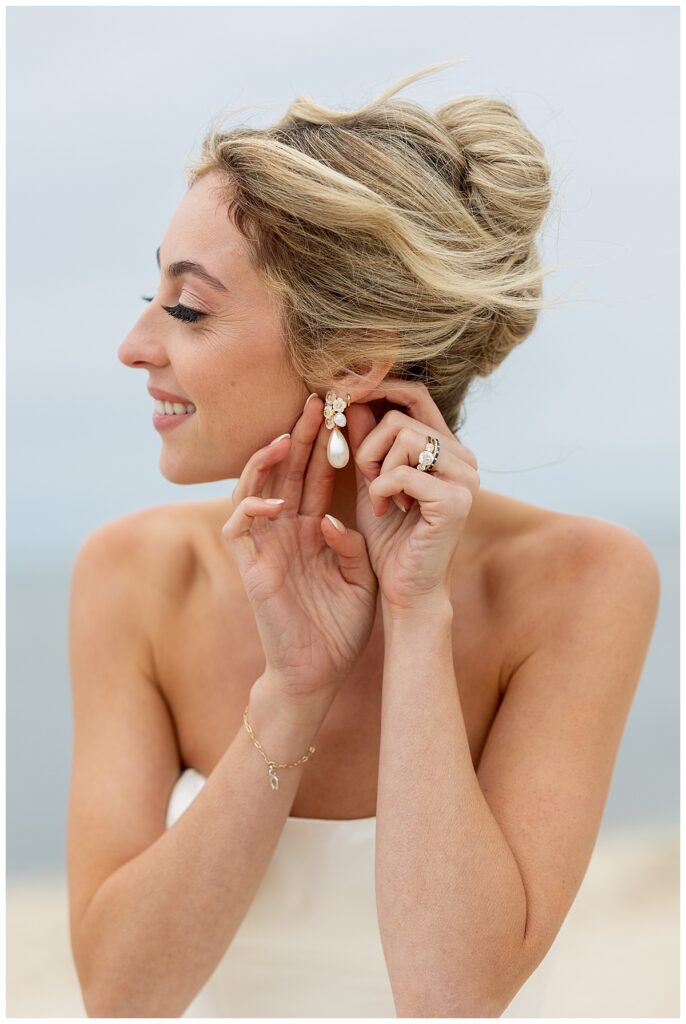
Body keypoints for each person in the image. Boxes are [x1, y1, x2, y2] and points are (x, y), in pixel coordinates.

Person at [67, 63, 660, 1018]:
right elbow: (121, 995)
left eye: (187, 308)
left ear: (355, 357)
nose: (136, 345)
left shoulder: (584, 582)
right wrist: (291, 694)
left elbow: (452, 994)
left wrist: (417, 617)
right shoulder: (135, 577)